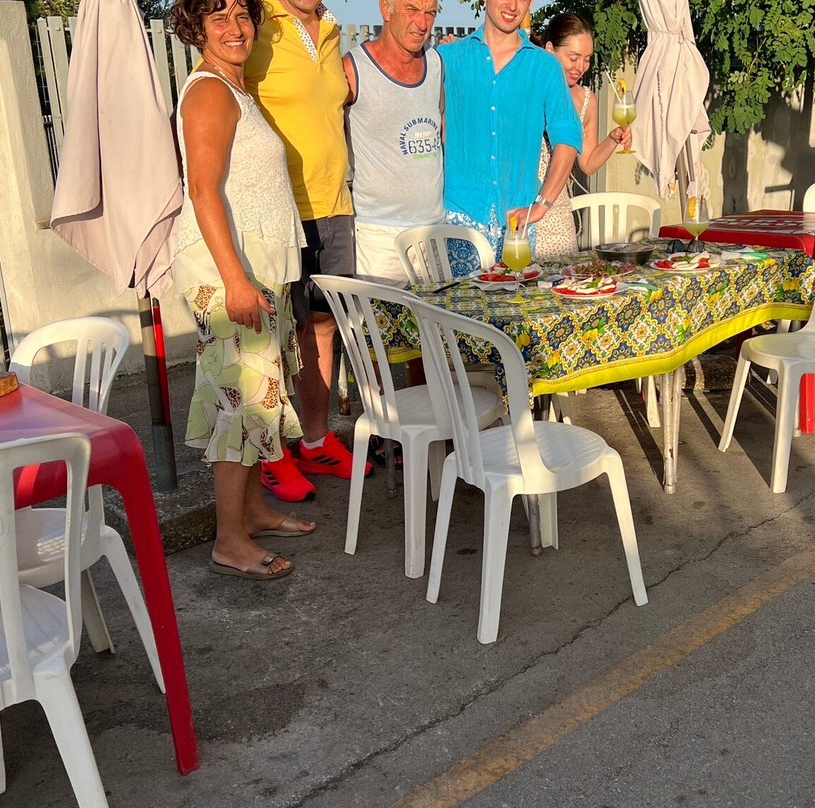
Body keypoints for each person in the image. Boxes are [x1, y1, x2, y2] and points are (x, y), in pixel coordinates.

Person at [170, 0, 316, 580]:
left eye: (241, 15)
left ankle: (251, 513)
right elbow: (203, 191)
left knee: (259, 396)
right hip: (229, 273)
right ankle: (229, 540)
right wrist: (234, 279)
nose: (234, 29)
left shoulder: (235, 87)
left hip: (255, 268)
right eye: (218, 19)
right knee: (240, 401)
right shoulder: (208, 92)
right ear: (196, 29)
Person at [244, 0, 371, 502]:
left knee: (322, 325)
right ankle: (271, 453)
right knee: (272, 338)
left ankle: (315, 442)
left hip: (334, 205)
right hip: (277, 210)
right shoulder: (254, 23)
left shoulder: (334, 31)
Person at [438, 0, 583, 274]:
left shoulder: (545, 67)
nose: (513, 5)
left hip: (517, 225)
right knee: (461, 302)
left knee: (516, 301)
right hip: (459, 221)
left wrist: (542, 204)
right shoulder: (448, 58)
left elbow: (568, 137)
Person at [345, 0, 444, 289]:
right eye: (411, 10)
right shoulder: (353, 68)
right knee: (380, 318)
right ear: (385, 9)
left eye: (430, 13)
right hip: (379, 236)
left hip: (433, 230)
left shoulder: (436, 63)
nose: (422, 24)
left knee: (438, 318)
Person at [532, 13, 632, 258]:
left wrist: (613, 139)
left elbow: (587, 164)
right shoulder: (526, 87)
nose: (581, 67)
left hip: (556, 212)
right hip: (518, 205)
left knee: (562, 279)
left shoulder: (587, 99)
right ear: (549, 49)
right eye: (573, 58)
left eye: (587, 59)